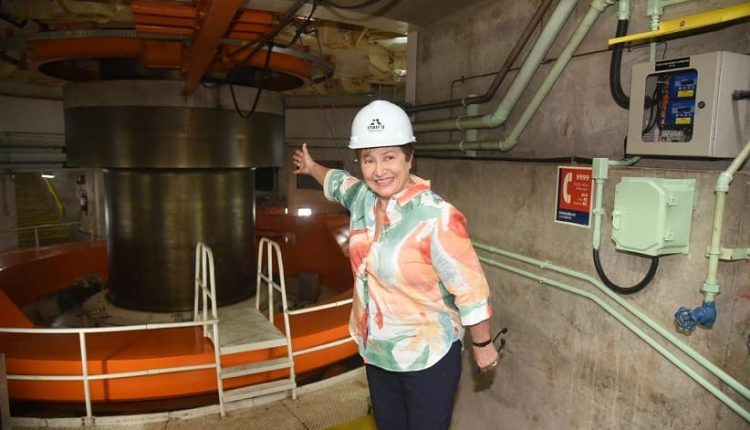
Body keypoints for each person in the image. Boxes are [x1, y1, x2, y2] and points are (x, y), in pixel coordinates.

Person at [292, 100, 497, 430]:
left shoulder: (436, 216)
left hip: (427, 357)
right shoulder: (363, 197)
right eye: (368, 159)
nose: (379, 170)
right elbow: (337, 182)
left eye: (389, 157)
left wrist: (482, 344)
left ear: (408, 158)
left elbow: (471, 290)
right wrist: (312, 166)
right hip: (377, 352)